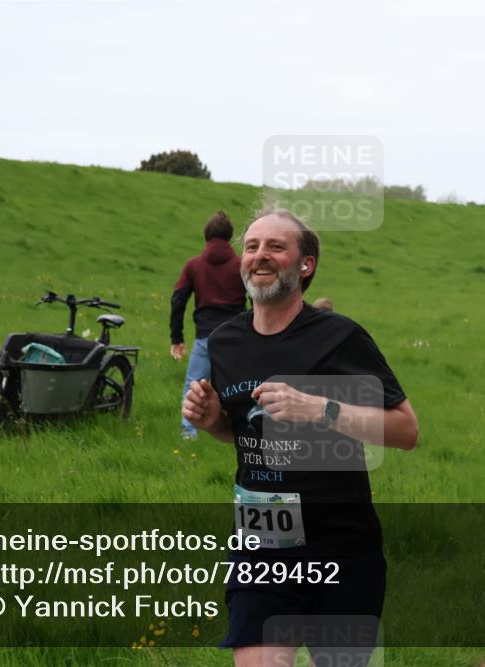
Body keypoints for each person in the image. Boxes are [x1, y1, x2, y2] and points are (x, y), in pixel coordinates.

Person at [182, 210, 418, 666]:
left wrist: (320, 409)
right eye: (251, 246)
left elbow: (406, 430)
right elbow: (246, 434)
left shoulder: (340, 337)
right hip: (261, 545)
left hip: (342, 548)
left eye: (275, 246)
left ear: (305, 265)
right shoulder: (226, 341)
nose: (259, 256)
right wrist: (214, 422)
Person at [170, 210, 247, 440]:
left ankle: (189, 432)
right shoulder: (241, 265)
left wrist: (177, 338)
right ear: (230, 236)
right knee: (241, 384)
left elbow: (178, 300)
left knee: (194, 385)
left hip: (205, 336)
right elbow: (257, 298)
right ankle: (242, 428)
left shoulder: (193, 266)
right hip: (236, 336)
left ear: (206, 235)